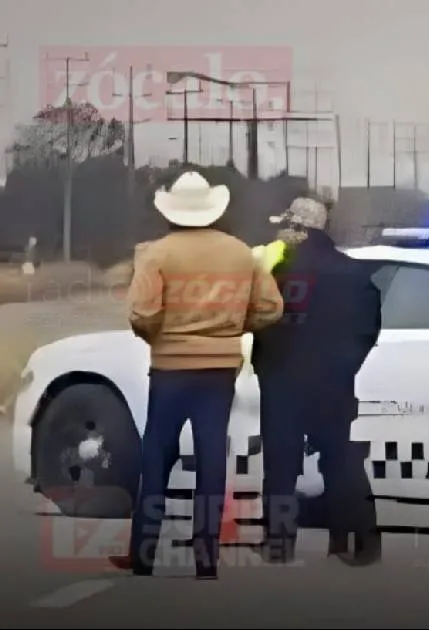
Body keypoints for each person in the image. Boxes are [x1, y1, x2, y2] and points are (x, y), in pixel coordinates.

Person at [112, 171, 284, 579]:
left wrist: (159, 336)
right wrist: (233, 328)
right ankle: (206, 557)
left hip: (170, 368)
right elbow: (271, 308)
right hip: (220, 369)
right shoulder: (242, 253)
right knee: (211, 461)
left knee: (156, 459)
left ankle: (144, 553)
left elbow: (142, 313)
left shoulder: (156, 254)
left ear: (171, 211)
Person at [251, 197, 383, 566]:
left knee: (280, 466)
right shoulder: (353, 274)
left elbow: (258, 321)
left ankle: (279, 544)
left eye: (285, 225)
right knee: (340, 460)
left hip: (282, 383)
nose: (278, 232)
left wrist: (267, 365)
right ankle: (360, 543)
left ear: (299, 229)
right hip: (333, 383)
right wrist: (345, 368)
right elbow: (368, 331)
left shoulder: (276, 272)